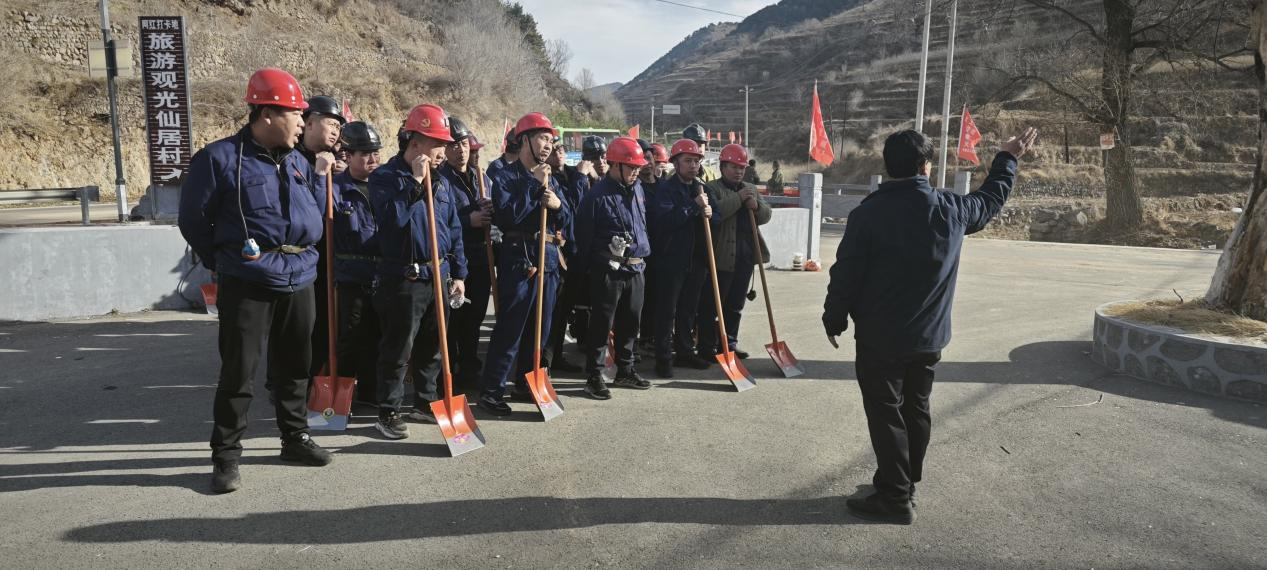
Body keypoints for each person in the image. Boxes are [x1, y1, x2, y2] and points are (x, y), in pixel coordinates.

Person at [823, 127, 1038, 525]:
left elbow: (846, 273)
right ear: (925, 166)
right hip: (928, 337)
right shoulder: (951, 209)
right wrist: (1007, 158)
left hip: (879, 338)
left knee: (886, 412)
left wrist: (834, 317)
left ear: (888, 167)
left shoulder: (868, 214)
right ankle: (904, 484)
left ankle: (894, 496)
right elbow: (990, 199)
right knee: (916, 408)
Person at [178, 68, 334, 494]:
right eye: (295, 114)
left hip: (300, 275)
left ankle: (295, 437)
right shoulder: (219, 158)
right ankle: (226, 455)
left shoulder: (299, 162)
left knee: (295, 366)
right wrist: (224, 261)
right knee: (239, 371)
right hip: (247, 279)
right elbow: (193, 220)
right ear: (266, 115)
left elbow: (312, 211)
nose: (303, 122)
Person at [367, 103, 467, 439]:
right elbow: (391, 221)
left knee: (433, 346)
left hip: (438, 274)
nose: (443, 151)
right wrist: (413, 182)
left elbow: (454, 230)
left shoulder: (443, 183)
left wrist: (459, 274)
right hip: (403, 277)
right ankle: (389, 411)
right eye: (438, 144)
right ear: (415, 142)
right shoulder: (385, 178)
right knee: (398, 349)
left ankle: (425, 402)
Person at [477, 112, 571, 416]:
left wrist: (557, 204)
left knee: (541, 330)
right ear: (525, 140)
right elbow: (508, 216)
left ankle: (526, 382)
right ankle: (492, 391)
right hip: (520, 257)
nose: (548, 145)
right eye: (543, 138)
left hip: (548, 256)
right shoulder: (505, 176)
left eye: (551, 139)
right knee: (511, 327)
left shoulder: (551, 176)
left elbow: (567, 219)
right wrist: (534, 185)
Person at [573, 136, 653, 399]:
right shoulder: (596, 196)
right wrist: (594, 267)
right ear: (615, 165)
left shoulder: (638, 190)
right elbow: (583, 237)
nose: (636, 172)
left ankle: (625, 370)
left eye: (638, 167)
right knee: (602, 322)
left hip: (636, 267)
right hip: (608, 270)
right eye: (632, 167)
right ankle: (594, 375)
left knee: (631, 321)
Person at [647, 138, 716, 378]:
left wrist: (710, 212)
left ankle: (685, 352)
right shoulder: (666, 190)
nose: (693, 165)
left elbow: (716, 217)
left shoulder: (702, 188)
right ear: (676, 163)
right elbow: (665, 221)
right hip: (671, 259)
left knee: (688, 309)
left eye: (696, 161)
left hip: (697, 259)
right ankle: (663, 357)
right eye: (688, 161)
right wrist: (694, 206)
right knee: (667, 311)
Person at [438, 116, 496, 394]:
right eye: (453, 145)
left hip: (481, 258)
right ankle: (448, 373)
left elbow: (495, 216)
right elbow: (438, 222)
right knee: (453, 321)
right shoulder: (440, 180)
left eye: (463, 144)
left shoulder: (481, 177)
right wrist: (468, 220)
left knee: (475, 319)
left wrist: (491, 211)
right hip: (454, 260)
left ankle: (470, 369)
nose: (460, 150)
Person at [698, 144, 770, 361]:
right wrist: (739, 198)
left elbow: (766, 215)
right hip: (720, 256)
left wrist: (756, 206)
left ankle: (728, 345)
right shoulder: (711, 188)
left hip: (745, 256)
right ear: (722, 167)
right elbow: (716, 213)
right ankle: (707, 346)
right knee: (712, 306)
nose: (739, 171)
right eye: (734, 167)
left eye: (741, 167)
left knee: (736, 305)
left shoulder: (750, 188)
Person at [331, 121, 384, 406]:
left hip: (383, 274)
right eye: (364, 154)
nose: (372, 159)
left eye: (375, 153)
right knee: (350, 338)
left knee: (378, 337)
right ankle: (342, 397)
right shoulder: (334, 189)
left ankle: (371, 393)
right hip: (351, 277)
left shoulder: (386, 185)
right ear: (348, 156)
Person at [297, 96, 347, 382]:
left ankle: (319, 378)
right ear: (309, 123)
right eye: (331, 124)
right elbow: (310, 213)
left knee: (327, 324)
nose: (335, 131)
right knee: (302, 327)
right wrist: (319, 174)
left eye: (338, 127)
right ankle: (295, 382)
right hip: (302, 259)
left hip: (330, 258)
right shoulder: (292, 159)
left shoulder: (334, 164)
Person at [544, 140, 589, 373]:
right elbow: (572, 206)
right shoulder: (549, 178)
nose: (559, 154)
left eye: (561, 149)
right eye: (554, 150)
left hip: (575, 249)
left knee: (564, 308)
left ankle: (556, 354)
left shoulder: (572, 173)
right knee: (551, 309)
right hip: (558, 249)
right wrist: (581, 179)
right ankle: (545, 359)